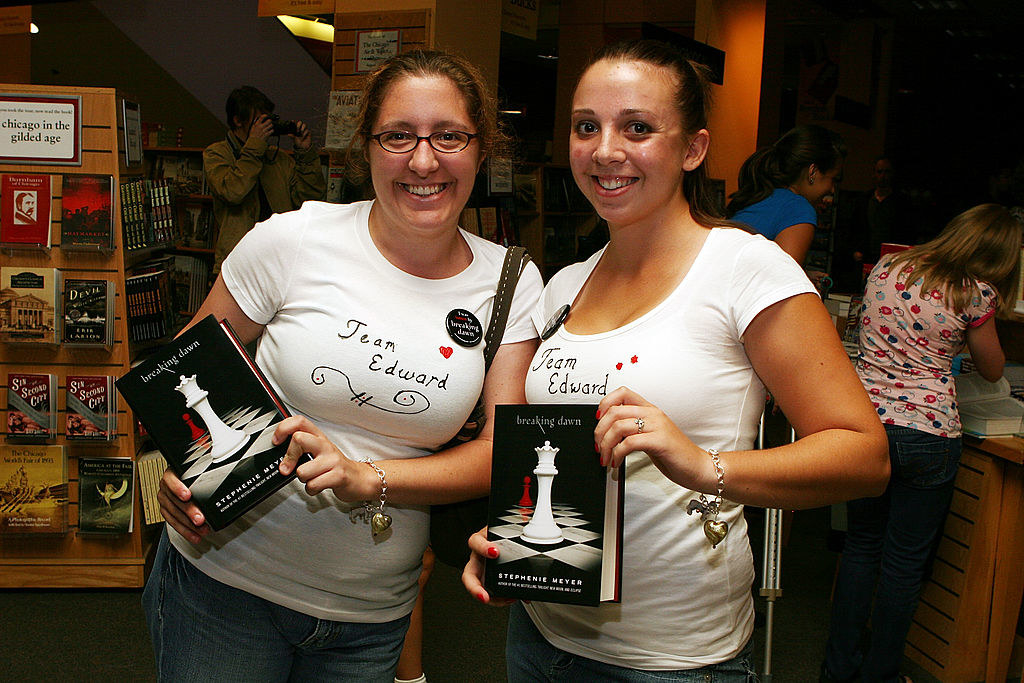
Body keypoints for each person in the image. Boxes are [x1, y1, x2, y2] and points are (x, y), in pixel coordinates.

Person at [462, 38, 889, 681]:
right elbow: (548, 449)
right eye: (586, 127)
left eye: (637, 128)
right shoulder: (566, 284)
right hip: (543, 633)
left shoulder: (745, 269)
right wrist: (512, 543)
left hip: (673, 660)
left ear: (693, 148)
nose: (605, 150)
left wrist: (699, 463)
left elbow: (864, 456)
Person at [145, 50, 543, 682]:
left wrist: (372, 477)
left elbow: (504, 450)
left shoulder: (510, 284)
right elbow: (182, 369)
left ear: (480, 147)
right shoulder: (294, 239)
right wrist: (181, 468)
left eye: (449, 136)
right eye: (397, 136)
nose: (423, 160)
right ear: (366, 147)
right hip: (224, 586)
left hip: (370, 617)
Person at [821, 203, 1022, 683]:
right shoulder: (976, 293)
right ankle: (881, 675)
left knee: (861, 547)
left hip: (865, 425)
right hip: (929, 434)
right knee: (904, 563)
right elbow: (993, 369)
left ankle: (836, 670)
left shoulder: (890, 266)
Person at [203, 85, 326, 273]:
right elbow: (233, 192)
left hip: (279, 261)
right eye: (258, 121)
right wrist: (255, 145)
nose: (265, 126)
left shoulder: (278, 158)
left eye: (267, 120)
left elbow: (310, 200)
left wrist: (305, 153)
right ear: (237, 120)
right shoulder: (216, 154)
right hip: (238, 263)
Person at [726, 124, 846, 267]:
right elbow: (780, 284)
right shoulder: (798, 209)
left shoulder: (758, 197)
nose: (832, 190)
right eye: (833, 179)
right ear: (812, 172)